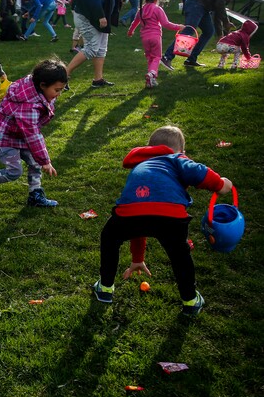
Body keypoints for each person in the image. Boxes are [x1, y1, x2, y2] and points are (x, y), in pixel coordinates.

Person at [92, 126, 233, 316]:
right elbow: (197, 171)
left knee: (109, 238)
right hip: (170, 216)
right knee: (180, 255)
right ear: (182, 152)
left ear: (149, 148)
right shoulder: (176, 159)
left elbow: (141, 214)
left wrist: (137, 258)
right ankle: (190, 301)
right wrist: (221, 184)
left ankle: (105, 288)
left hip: (128, 213)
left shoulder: (141, 165)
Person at [0, 58, 67, 208]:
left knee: (35, 162)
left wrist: (41, 160)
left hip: (18, 133)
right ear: (42, 85)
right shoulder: (29, 106)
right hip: (2, 137)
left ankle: (35, 195)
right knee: (14, 171)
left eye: (61, 90)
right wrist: (45, 160)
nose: (58, 94)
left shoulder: (36, 86)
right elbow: (32, 134)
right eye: (57, 90)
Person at [161, 0, 255, 69]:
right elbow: (220, 4)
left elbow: (218, 9)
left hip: (203, 7)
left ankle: (191, 59)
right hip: (196, 3)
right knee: (189, 30)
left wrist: (220, 34)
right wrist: (226, 22)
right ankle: (166, 57)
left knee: (209, 31)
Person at [127, 0, 184, 88]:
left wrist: (130, 32)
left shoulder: (141, 10)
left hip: (145, 38)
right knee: (157, 57)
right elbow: (166, 24)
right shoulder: (157, 9)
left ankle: (151, 80)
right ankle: (152, 74)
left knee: (150, 57)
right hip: (155, 37)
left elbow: (135, 23)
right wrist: (178, 27)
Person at [64, 0, 116, 89]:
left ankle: (98, 80)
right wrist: (100, 15)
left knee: (101, 49)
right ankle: (63, 76)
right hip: (88, 16)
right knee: (91, 48)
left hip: (98, 16)